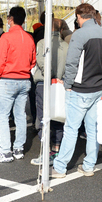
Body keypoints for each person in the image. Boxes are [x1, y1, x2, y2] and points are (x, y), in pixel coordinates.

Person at [50, 4, 102, 178]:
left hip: (80, 89)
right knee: (92, 129)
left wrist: (67, 84)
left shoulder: (80, 34)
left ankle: (60, 167)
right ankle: (89, 165)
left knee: (71, 129)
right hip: (98, 87)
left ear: (79, 17)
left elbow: (72, 62)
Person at [0, 6, 35, 163]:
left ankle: (5, 150)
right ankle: (18, 148)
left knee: (2, 116)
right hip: (24, 80)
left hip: (7, 80)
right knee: (20, 115)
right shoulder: (28, 38)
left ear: (11, 19)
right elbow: (33, 61)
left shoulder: (6, 37)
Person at [31, 18, 68, 165]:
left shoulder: (42, 43)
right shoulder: (66, 45)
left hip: (43, 84)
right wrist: (59, 78)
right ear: (60, 30)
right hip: (60, 84)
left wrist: (50, 75)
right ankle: (56, 149)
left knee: (43, 117)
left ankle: (45, 152)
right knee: (58, 116)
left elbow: (40, 62)